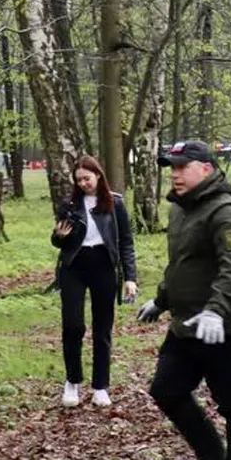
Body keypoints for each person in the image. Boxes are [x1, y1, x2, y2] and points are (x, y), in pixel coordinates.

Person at [136, 140, 231, 460]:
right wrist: (160, 301)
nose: (174, 174)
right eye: (171, 167)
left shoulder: (227, 211)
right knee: (166, 390)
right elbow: (182, 265)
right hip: (186, 323)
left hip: (224, 325)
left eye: (181, 167)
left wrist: (216, 311)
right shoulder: (181, 210)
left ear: (205, 168)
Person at [50, 156, 138, 408]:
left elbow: (126, 242)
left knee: (102, 329)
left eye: (87, 178)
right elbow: (58, 241)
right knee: (73, 325)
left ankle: (101, 386)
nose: (83, 183)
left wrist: (130, 277)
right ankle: (72, 381)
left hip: (103, 266)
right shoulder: (69, 204)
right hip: (74, 267)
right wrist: (58, 236)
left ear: (98, 175)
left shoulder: (115, 202)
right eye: (79, 180)